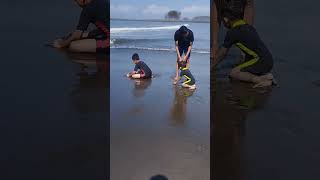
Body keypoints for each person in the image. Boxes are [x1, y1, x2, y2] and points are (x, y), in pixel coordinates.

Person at [213, 10, 275, 88]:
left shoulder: (232, 32)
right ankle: (266, 75)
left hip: (260, 61)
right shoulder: (249, 27)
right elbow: (251, 50)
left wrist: (212, 65)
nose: (223, 24)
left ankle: (260, 80)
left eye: (222, 21)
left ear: (226, 19)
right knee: (243, 68)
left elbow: (222, 53)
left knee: (233, 74)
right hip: (269, 60)